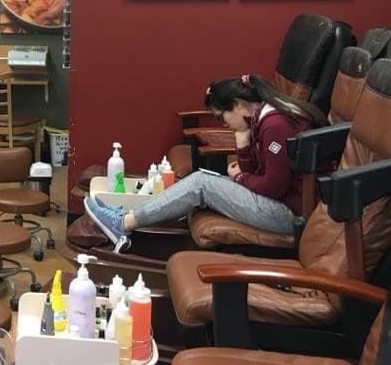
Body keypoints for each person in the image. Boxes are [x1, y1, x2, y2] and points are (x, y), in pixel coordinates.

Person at [85, 73, 327, 253]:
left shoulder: (275, 125)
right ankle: (129, 215)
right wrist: (243, 144)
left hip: (288, 214)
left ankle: (122, 223)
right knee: (204, 180)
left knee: (202, 184)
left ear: (239, 105)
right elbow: (257, 172)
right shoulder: (261, 118)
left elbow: (272, 186)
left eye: (223, 117)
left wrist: (240, 178)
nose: (224, 124)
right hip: (278, 203)